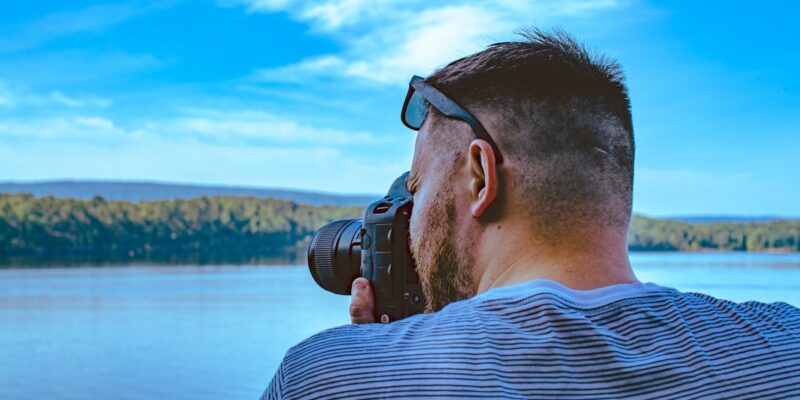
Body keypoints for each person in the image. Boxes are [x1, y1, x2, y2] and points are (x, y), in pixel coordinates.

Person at [262, 29, 800, 399]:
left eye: (419, 188)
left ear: (480, 178)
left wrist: (380, 359)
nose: (408, 217)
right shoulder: (784, 347)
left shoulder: (328, 377)